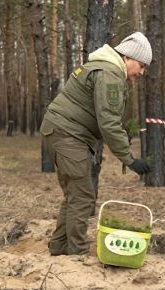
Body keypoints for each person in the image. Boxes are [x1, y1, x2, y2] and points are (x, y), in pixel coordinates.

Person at [40, 32, 152, 256]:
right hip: (67, 134)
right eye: (140, 65)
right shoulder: (110, 73)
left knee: (75, 194)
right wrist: (129, 159)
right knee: (82, 196)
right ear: (128, 57)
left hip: (62, 131)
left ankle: (59, 248)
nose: (141, 72)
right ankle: (77, 253)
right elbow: (109, 123)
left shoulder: (104, 68)